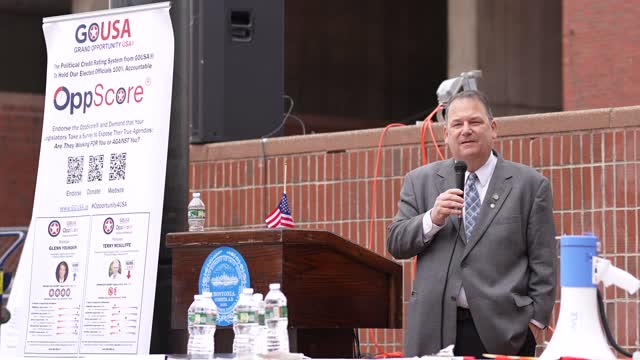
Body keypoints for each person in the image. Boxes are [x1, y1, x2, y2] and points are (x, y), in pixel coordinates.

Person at [387, 90, 556, 358]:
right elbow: (396, 242)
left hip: (503, 331)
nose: (465, 130)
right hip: (435, 329)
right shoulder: (419, 182)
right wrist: (433, 218)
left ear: (493, 129)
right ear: (445, 135)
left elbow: (544, 262)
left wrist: (534, 323)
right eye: (456, 124)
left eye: (474, 122)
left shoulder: (529, 185)